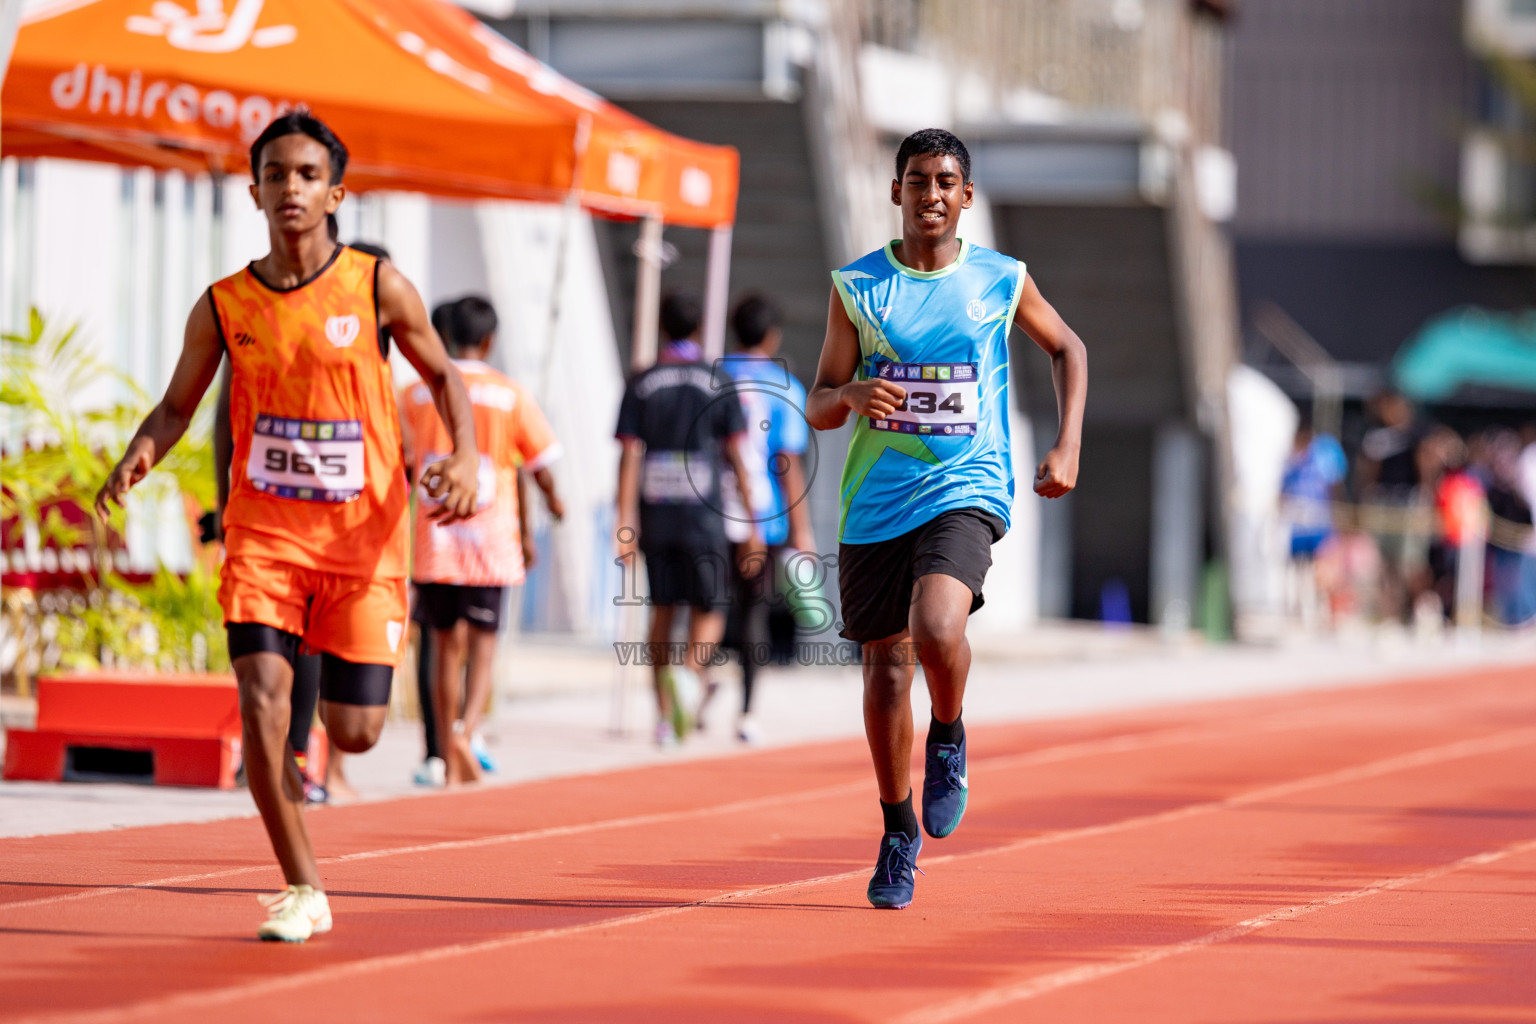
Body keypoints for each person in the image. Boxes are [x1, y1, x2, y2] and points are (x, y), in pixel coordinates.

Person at [95, 112, 479, 942]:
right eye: (276, 175)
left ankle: (331, 659)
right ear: (255, 190)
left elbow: (447, 378)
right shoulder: (225, 303)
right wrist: (138, 455)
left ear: (335, 191)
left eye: (308, 175)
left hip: (363, 544)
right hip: (264, 540)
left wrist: (468, 458)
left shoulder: (378, 287)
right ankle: (302, 886)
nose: (291, 188)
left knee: (356, 732)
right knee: (264, 703)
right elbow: (175, 406)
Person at [805, 128, 1087, 909]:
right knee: (886, 671)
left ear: (967, 197)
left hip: (967, 486)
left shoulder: (999, 279)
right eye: (918, 180)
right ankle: (898, 833)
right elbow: (818, 401)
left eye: (947, 181)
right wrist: (853, 396)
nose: (932, 194)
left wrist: (1066, 444)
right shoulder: (857, 287)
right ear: (895, 192)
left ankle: (951, 733)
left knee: (936, 627)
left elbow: (1067, 348)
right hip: (874, 502)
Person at [399, 295, 564, 785]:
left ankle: (444, 746)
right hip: (492, 535)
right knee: (485, 645)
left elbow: (402, 463)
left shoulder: (414, 393)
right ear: (489, 340)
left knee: (443, 645)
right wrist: (555, 508)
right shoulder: (510, 394)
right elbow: (537, 465)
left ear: (441, 336)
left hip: (435, 534)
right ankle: (468, 731)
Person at [615, 290, 764, 747]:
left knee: (662, 610)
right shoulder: (716, 380)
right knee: (711, 607)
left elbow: (629, 454)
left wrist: (624, 523)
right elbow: (737, 453)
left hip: (655, 513)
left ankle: (664, 714)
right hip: (704, 515)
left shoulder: (642, 381)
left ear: (663, 327)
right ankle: (689, 673)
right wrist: (754, 522)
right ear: (700, 329)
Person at [718, 293, 814, 743]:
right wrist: (802, 528)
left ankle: (700, 677)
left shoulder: (713, 376)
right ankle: (747, 710)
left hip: (711, 508)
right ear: (771, 335)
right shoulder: (784, 387)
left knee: (709, 605)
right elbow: (787, 462)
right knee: (753, 608)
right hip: (765, 514)